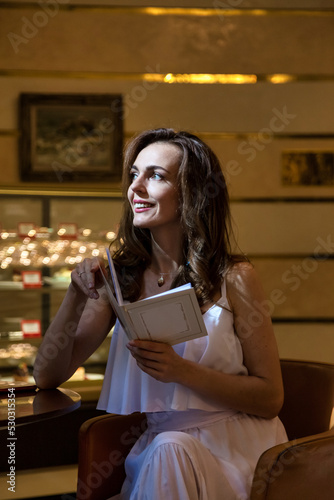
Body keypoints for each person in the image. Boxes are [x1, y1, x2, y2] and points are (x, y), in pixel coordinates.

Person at [33, 128, 287, 500]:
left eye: (156, 175)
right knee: (169, 447)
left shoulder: (235, 277)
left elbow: (270, 399)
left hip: (236, 450)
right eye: (134, 174)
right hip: (160, 452)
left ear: (192, 193)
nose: (135, 187)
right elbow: (46, 374)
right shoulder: (120, 280)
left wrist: (182, 372)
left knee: (171, 447)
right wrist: (74, 294)